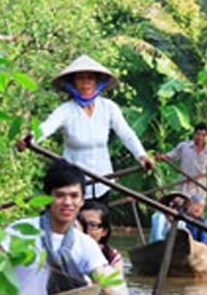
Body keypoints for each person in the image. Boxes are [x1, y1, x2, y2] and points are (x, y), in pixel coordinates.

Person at [0, 160, 135, 295]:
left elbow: (106, 286)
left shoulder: (85, 244)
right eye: (60, 195)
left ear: (82, 200)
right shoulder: (20, 231)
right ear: (48, 198)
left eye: (74, 196)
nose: (67, 202)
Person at [18, 55, 156, 202]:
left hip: (103, 181)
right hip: (73, 184)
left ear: (97, 82)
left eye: (90, 78)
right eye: (80, 79)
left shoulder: (108, 107)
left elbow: (126, 133)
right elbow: (47, 127)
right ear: (72, 83)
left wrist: (141, 155)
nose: (85, 83)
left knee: (98, 221)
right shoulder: (66, 110)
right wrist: (30, 139)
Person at [157, 122, 207, 200]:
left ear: (206, 136)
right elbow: (170, 156)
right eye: (198, 134)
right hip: (183, 186)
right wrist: (160, 157)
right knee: (179, 208)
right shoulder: (184, 147)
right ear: (194, 134)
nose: (200, 137)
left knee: (195, 210)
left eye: (203, 135)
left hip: (199, 189)